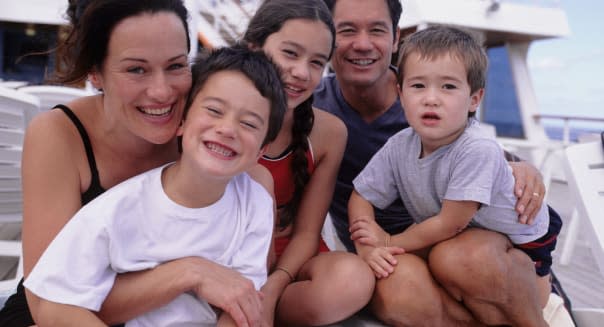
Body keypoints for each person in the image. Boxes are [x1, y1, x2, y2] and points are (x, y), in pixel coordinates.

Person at [0, 1, 272, 326]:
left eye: (175, 66)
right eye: (136, 69)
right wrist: (190, 272)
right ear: (95, 73)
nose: (161, 91)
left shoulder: (213, 146)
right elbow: (47, 302)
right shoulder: (59, 135)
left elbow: (243, 292)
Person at [314, 0, 565, 326]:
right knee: (401, 286)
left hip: (493, 244)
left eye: (376, 29)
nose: (431, 97)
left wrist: (523, 166)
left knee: (461, 257)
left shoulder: (466, 140)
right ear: (404, 93)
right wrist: (368, 241)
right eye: (347, 30)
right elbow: (361, 196)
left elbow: (453, 218)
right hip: (408, 249)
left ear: (394, 40)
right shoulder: (315, 108)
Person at [244, 0, 375, 325]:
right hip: (227, 257)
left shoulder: (329, 132)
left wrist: (274, 287)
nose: (302, 72)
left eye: (316, 62)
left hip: (291, 267)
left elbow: (306, 233)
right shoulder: (214, 118)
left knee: (352, 278)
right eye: (290, 53)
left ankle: (265, 309)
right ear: (254, 47)